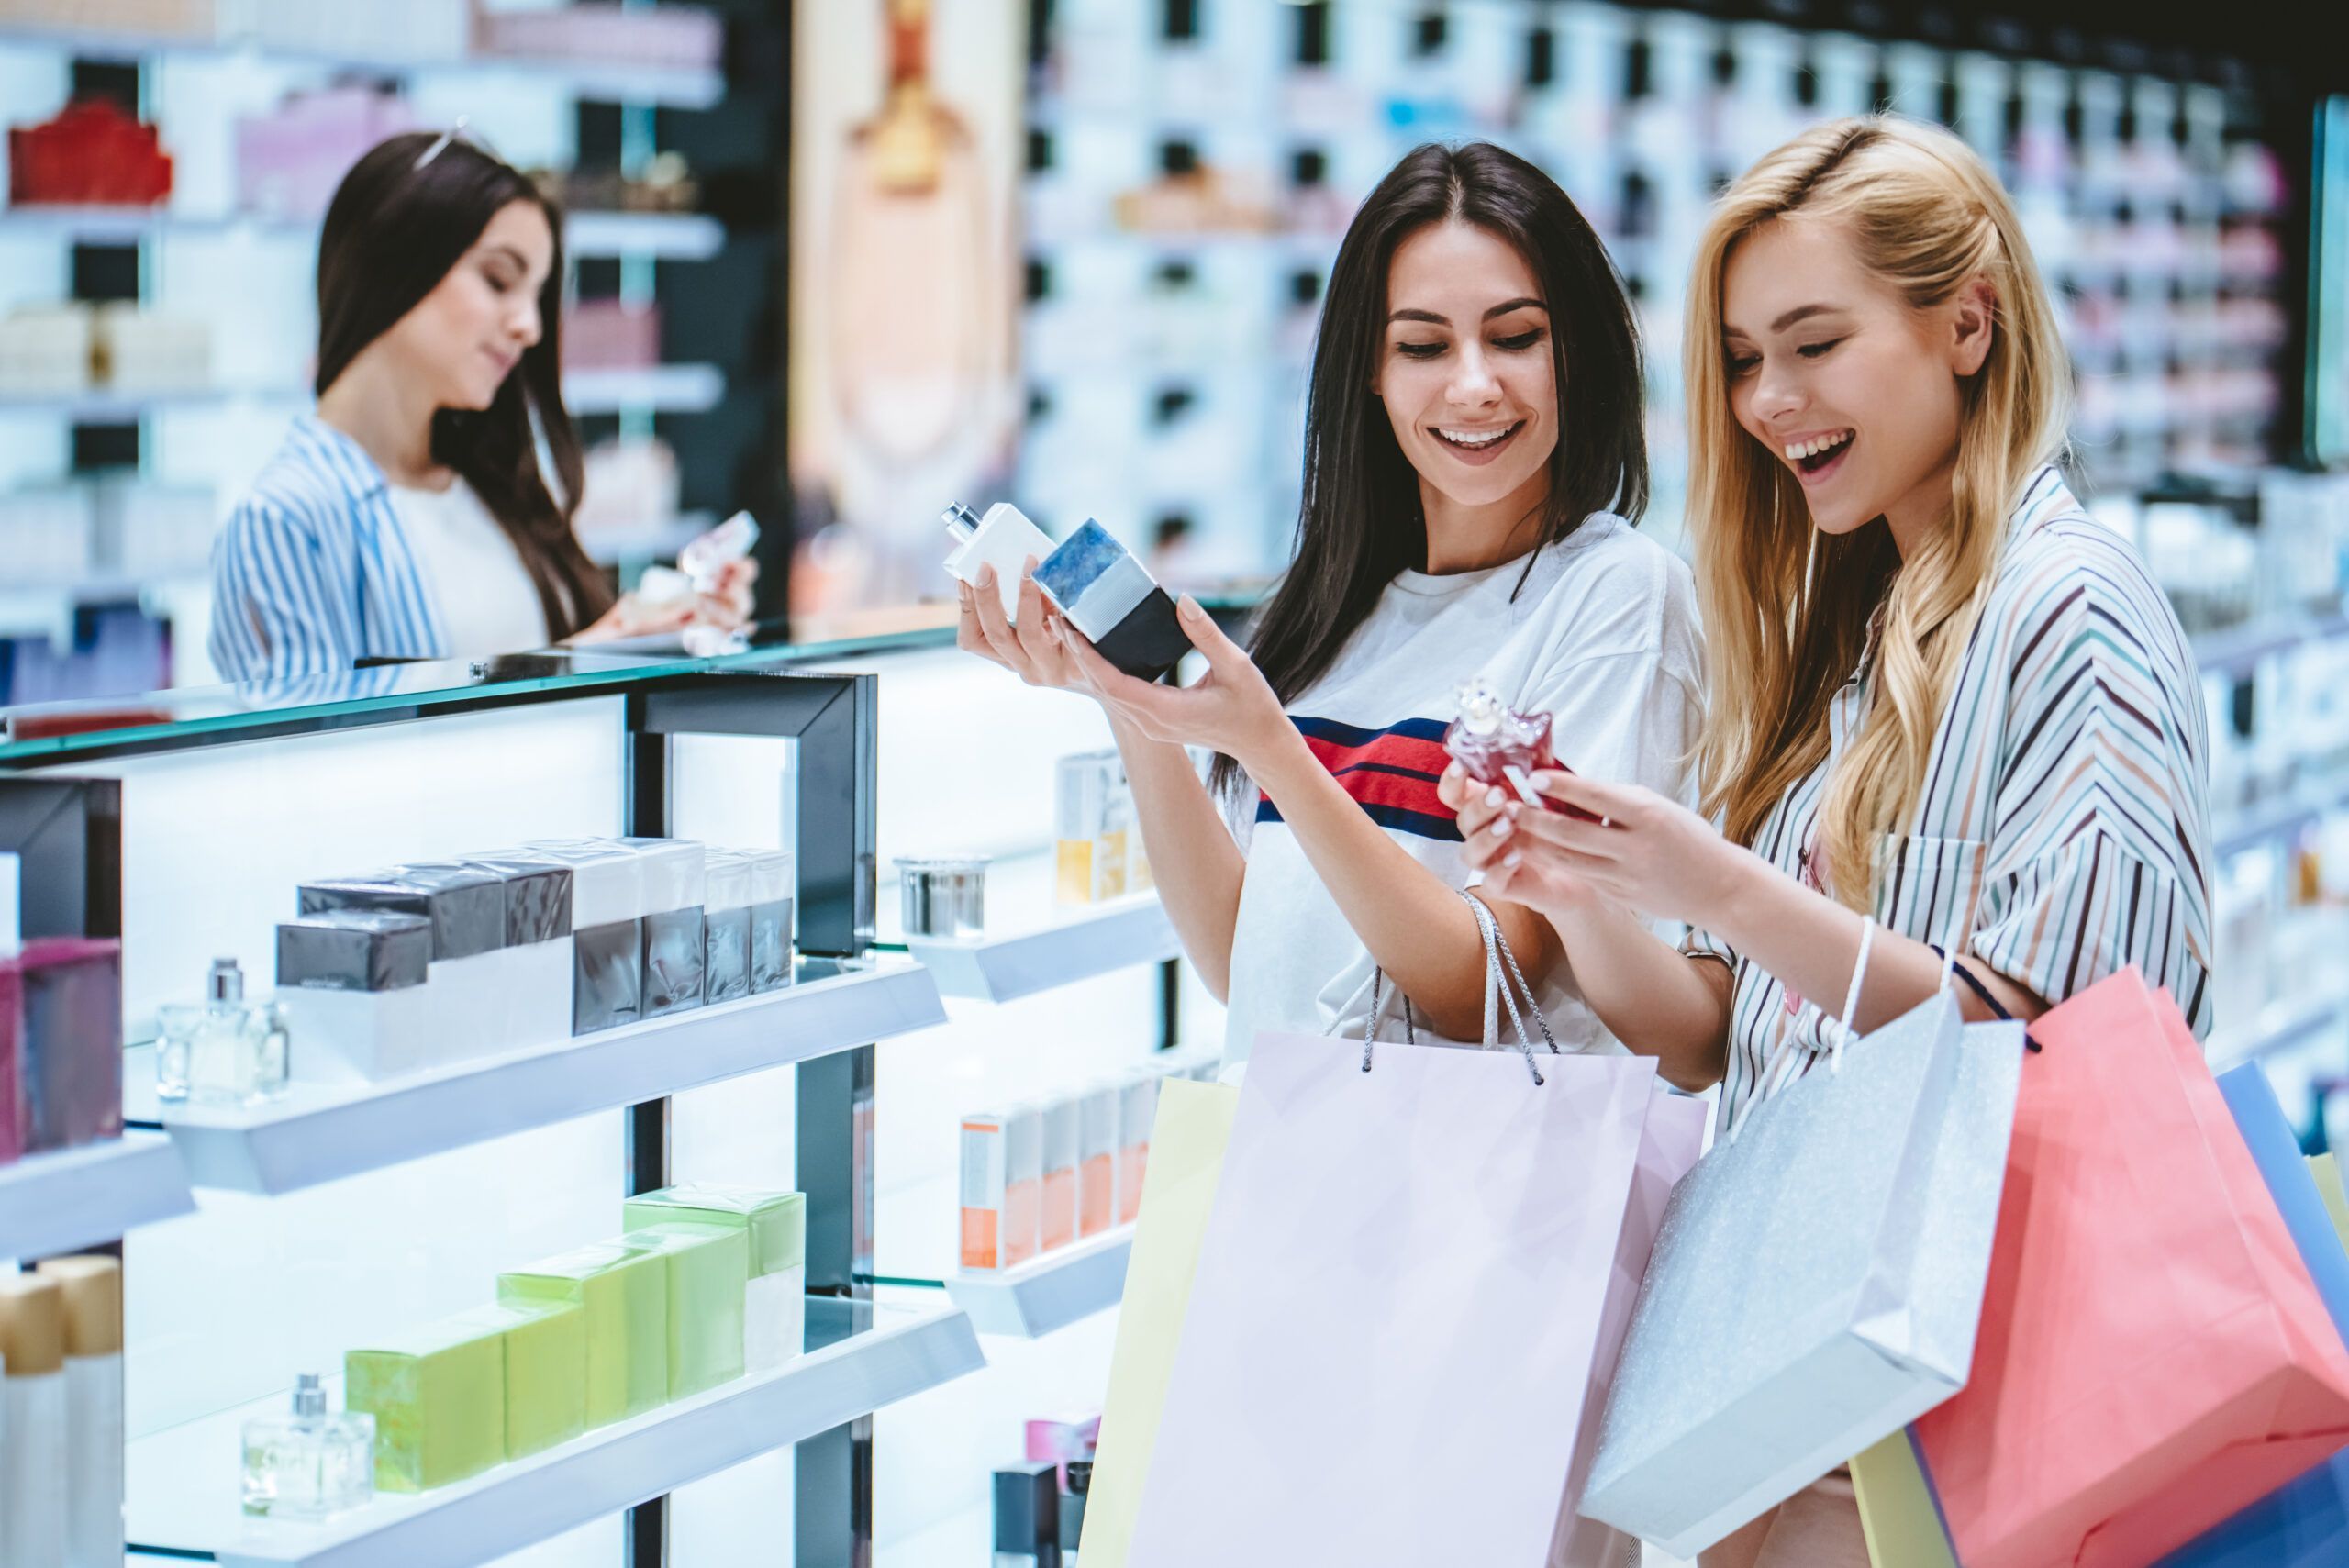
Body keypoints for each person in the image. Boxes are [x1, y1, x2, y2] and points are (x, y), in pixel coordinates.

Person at [1451, 115, 2213, 1566]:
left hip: (1962, 1429)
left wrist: (1724, 884)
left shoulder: (2072, 611)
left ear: (1967, 327)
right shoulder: (1859, 624)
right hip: (1803, 1411)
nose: (1767, 400)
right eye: (1743, 358)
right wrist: (1588, 884)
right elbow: (1713, 1037)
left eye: (1813, 343)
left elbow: (2071, 1054)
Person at [958, 140, 1703, 1060]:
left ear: (1575, 351)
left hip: (1468, 1189)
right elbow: (1252, 970)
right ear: (1371, 371)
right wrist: (1135, 702)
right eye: (1422, 345)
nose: (1473, 384)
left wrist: (1269, 745)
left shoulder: (1617, 594)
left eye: (1515, 336)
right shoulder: (1335, 609)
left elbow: (1481, 986)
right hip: (1286, 1166)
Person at [209, 128, 751, 682]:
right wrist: (583, 655)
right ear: (392, 266)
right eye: (498, 280)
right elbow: (313, 757)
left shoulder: (491, 480)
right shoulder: (286, 520)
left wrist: (651, 631)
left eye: (536, 296)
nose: (529, 327)